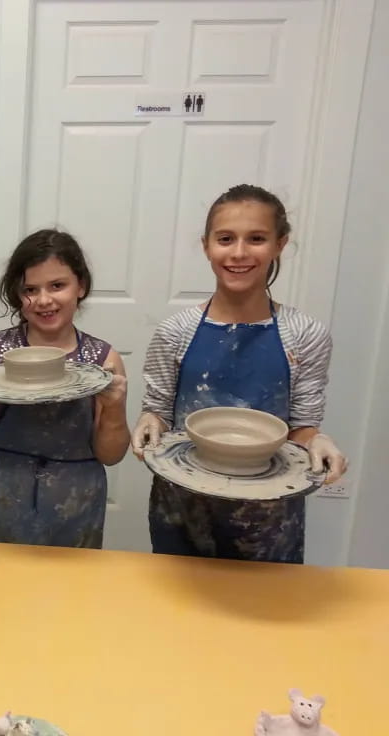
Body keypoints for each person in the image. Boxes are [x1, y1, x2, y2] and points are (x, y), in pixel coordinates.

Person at [132, 184, 348, 563]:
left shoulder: (305, 335)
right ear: (206, 245)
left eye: (257, 239)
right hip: (183, 511)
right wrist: (149, 421)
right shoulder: (175, 332)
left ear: (280, 244)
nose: (239, 253)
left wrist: (318, 441)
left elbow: (303, 426)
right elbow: (159, 412)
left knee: (263, 618)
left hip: (268, 519)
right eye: (226, 239)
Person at [0, 229, 129, 547]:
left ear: (80, 286)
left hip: (76, 505)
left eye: (57, 285)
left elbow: (111, 455)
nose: (43, 300)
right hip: (2, 498)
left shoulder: (103, 360)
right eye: (31, 289)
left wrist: (113, 408)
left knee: (70, 593)